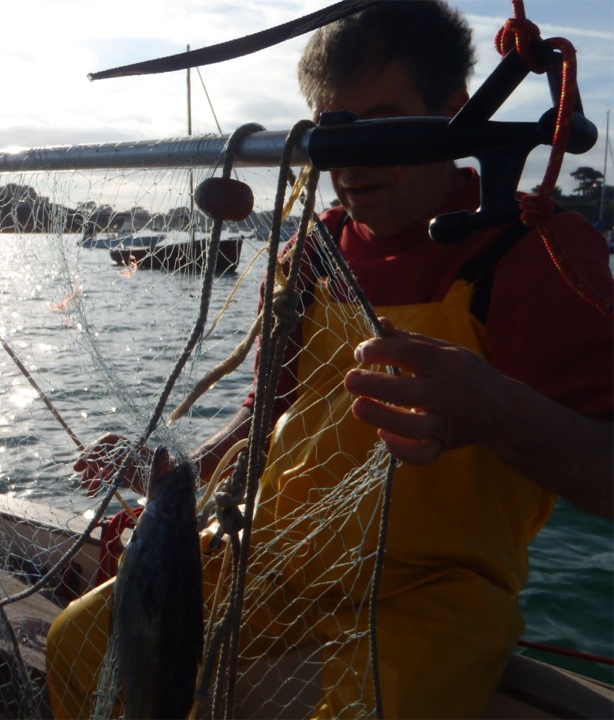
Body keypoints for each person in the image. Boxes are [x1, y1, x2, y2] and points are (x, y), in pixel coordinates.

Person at [47, 2, 614, 717]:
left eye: (381, 122)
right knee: (77, 643)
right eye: (330, 129)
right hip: (271, 560)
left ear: (453, 111)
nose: (349, 160)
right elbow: (266, 419)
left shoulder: (534, 252)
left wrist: (501, 413)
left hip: (428, 594)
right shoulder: (309, 256)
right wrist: (171, 479)